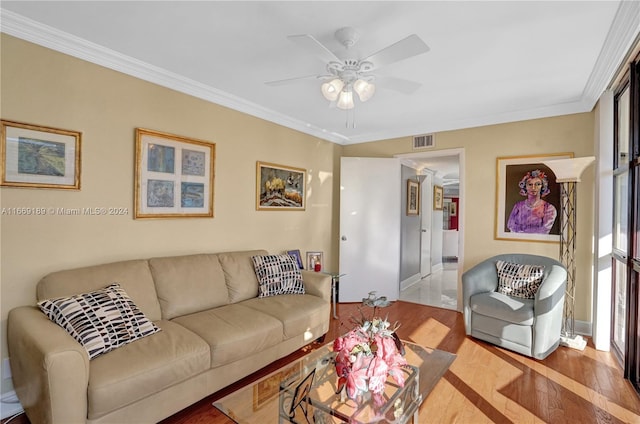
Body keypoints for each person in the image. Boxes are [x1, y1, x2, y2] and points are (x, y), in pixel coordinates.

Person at [507, 169, 557, 234]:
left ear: (542, 187)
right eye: (530, 184)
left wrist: (521, 231)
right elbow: (511, 226)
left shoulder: (549, 208)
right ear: (525, 187)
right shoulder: (518, 206)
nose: (533, 188)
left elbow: (544, 230)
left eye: (538, 184)